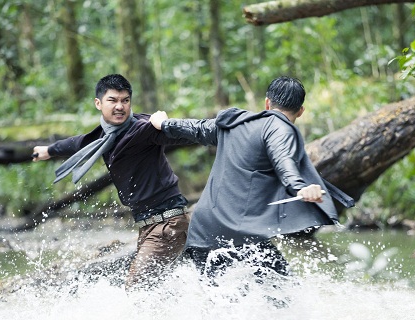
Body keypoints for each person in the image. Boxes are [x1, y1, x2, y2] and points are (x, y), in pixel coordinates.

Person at [150, 76, 350, 280]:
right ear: (301, 111)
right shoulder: (280, 129)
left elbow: (197, 128)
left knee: (218, 303)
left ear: (267, 102)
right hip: (238, 235)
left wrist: (165, 123)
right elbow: (284, 160)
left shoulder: (236, 123)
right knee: (284, 295)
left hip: (203, 231)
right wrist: (300, 187)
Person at [32, 74, 192, 289]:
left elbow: (188, 133)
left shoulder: (145, 129)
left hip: (167, 223)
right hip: (148, 225)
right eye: (113, 100)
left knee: (136, 287)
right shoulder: (105, 136)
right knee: (157, 289)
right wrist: (49, 150)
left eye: (125, 100)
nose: (120, 106)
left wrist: (166, 124)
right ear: (98, 103)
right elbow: (78, 143)